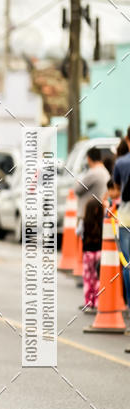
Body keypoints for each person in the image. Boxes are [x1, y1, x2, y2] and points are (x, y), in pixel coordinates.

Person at [73, 147, 110, 238]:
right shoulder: (106, 172)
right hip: (99, 213)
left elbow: (78, 189)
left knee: (86, 244)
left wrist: (78, 182)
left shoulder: (93, 173)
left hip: (87, 214)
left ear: (89, 158)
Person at [113, 127, 130, 304]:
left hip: (125, 217)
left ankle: (129, 303)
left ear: (126, 139)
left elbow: (116, 189)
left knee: (127, 262)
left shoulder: (121, 163)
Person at [81, 197, 103, 312]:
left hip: (87, 253)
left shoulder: (84, 222)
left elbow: (78, 233)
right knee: (98, 278)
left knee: (88, 278)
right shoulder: (102, 223)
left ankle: (88, 302)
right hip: (100, 253)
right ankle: (98, 301)